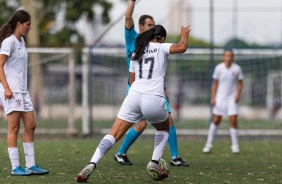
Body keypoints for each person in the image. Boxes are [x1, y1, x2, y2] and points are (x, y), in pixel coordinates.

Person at [76, 24, 191, 182]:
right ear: (161, 39)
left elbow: (132, 80)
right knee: (165, 128)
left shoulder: (137, 52)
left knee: (114, 133)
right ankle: (154, 162)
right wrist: (184, 35)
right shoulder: (161, 47)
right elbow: (182, 47)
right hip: (154, 98)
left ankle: (92, 162)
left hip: (134, 96)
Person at [114, 0, 189, 167]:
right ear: (141, 26)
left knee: (168, 120)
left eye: (154, 25)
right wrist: (132, 2)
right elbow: (127, 17)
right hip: (136, 87)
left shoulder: (155, 44)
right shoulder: (133, 38)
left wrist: (164, 89)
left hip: (154, 88)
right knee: (140, 124)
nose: (153, 28)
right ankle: (120, 152)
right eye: (149, 24)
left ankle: (174, 156)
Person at [0, 9, 49, 176]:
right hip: (11, 91)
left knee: (31, 125)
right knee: (14, 127)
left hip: (22, 91)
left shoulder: (21, 42)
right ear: (19, 24)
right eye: (28, 24)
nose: (30, 27)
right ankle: (15, 167)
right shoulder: (9, 42)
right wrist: (6, 87)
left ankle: (30, 165)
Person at [202, 50, 244, 154]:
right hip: (220, 98)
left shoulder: (237, 68)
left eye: (230, 56)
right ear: (223, 57)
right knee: (216, 120)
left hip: (232, 99)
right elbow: (215, 84)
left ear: (232, 57)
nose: (228, 57)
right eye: (227, 56)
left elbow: (240, 83)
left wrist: (238, 94)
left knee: (233, 120)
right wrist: (213, 97)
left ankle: (235, 146)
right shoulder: (219, 68)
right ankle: (208, 144)